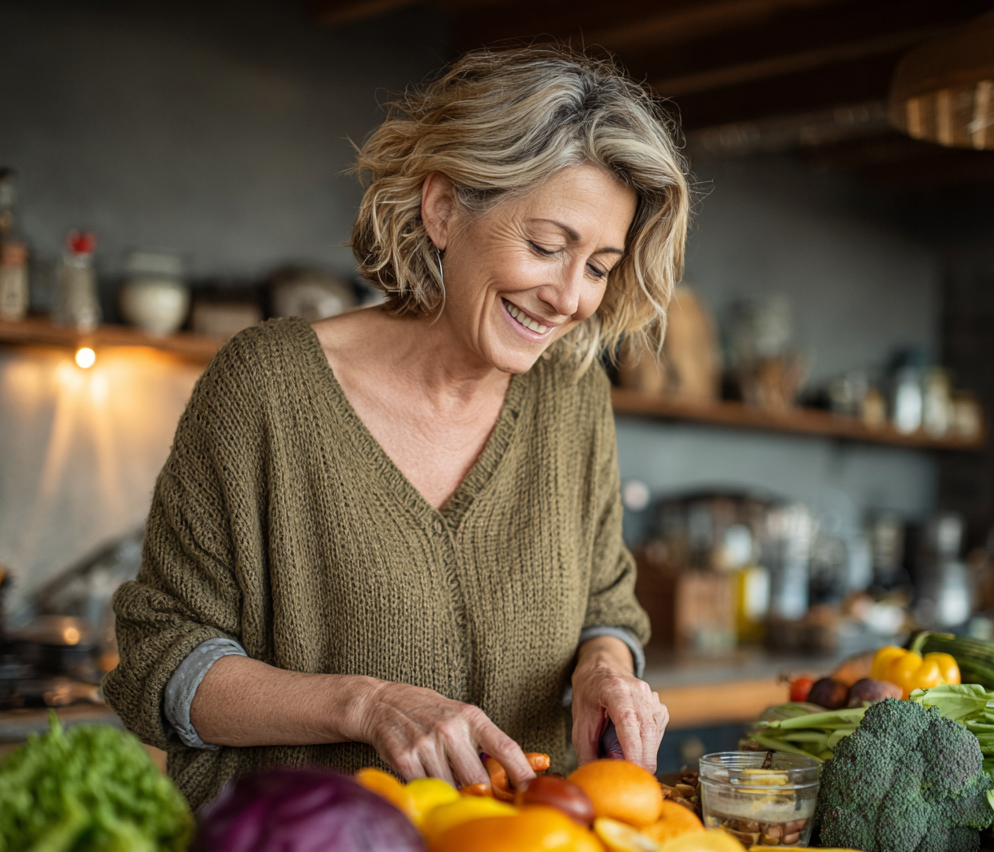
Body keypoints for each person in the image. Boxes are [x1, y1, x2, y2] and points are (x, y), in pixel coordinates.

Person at [104, 45, 689, 809]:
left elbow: (605, 608)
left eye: (600, 265)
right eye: (548, 247)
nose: (570, 297)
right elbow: (162, 658)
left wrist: (604, 670)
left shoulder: (571, 397)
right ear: (443, 208)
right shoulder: (268, 389)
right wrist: (367, 705)